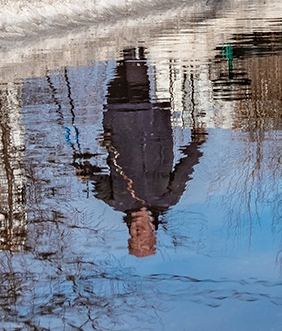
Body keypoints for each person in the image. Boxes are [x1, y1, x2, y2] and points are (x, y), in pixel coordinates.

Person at [73, 47, 207, 257]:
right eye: (141, 235)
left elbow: (97, 180)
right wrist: (197, 143)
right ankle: (132, 47)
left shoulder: (117, 202)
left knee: (118, 85)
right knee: (137, 88)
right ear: (153, 233)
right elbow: (185, 168)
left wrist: (86, 172)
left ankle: (126, 46)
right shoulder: (166, 199)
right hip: (151, 128)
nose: (135, 231)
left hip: (119, 127)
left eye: (133, 236)